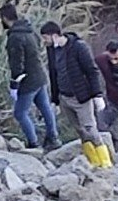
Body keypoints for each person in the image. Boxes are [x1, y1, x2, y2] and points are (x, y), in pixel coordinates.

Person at [40, 21, 111, 168]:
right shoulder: (52, 50)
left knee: (90, 129)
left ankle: (105, 162)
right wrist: (55, 100)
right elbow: (54, 74)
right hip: (64, 97)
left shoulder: (79, 47)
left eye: (45, 38)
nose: (44, 41)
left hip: (81, 97)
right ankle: (92, 161)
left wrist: (97, 95)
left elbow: (92, 71)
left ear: (54, 36)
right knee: (79, 130)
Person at [0, 3, 59, 150]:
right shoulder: (30, 30)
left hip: (27, 81)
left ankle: (33, 142)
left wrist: (14, 84)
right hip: (40, 76)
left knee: (20, 113)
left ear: (5, 18)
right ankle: (54, 138)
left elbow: (16, 64)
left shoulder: (15, 37)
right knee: (45, 108)